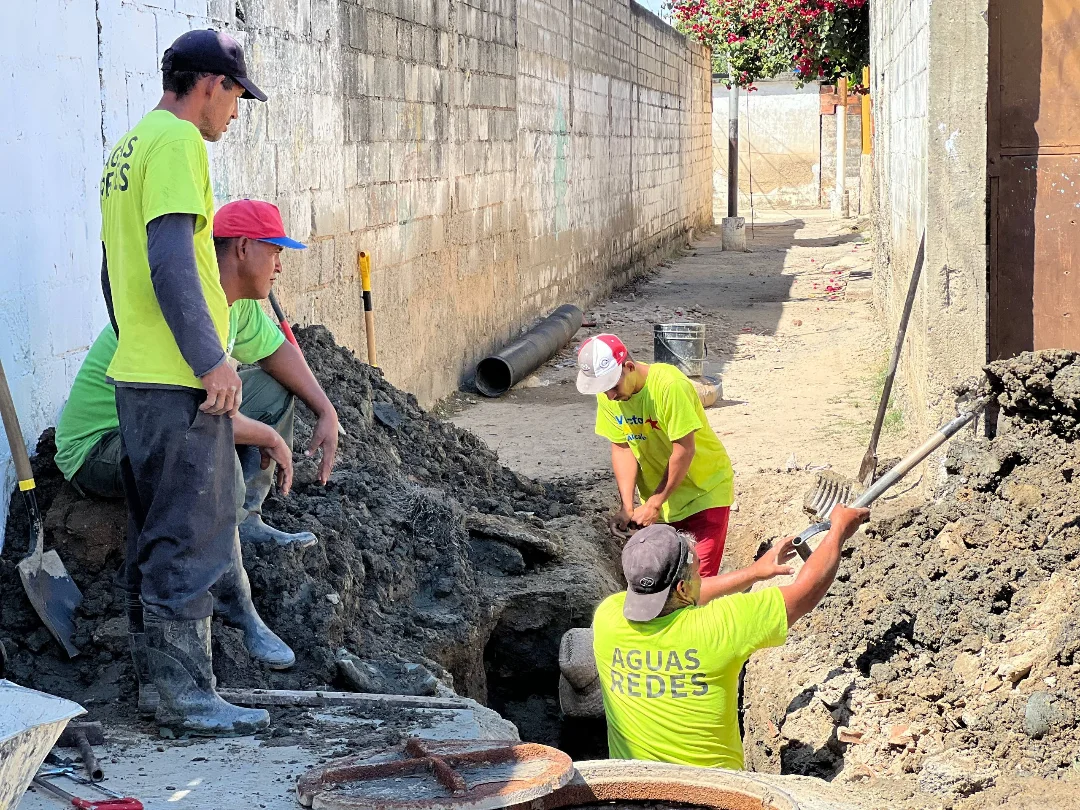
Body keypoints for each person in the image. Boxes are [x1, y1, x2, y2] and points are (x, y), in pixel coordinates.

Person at [56, 198, 339, 680]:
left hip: (164, 423)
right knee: (209, 459)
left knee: (272, 391)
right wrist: (267, 435)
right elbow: (190, 416)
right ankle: (237, 608)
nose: (280, 266)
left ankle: (246, 518)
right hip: (99, 446)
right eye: (275, 252)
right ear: (244, 248)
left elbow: (278, 355)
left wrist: (326, 410)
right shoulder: (191, 307)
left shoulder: (237, 303)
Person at [99, 29, 274, 738]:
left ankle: (160, 689)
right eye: (235, 96)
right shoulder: (177, 143)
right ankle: (184, 695)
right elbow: (171, 258)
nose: (234, 112)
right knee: (191, 536)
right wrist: (209, 361)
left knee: (156, 535)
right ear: (210, 84)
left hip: (140, 375)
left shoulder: (128, 147)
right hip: (177, 383)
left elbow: (111, 270)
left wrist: (136, 341)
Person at [591, 505, 870, 770]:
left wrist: (753, 572)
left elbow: (681, 595)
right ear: (683, 588)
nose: (701, 578)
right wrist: (838, 530)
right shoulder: (721, 626)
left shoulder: (608, 618)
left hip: (633, 788)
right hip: (717, 790)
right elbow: (805, 592)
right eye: (698, 572)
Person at [576, 334, 735, 577]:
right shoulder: (609, 394)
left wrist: (653, 503)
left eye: (613, 387)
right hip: (661, 502)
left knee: (695, 584)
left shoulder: (670, 386)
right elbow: (622, 447)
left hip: (704, 491)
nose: (610, 396)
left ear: (629, 367)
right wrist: (627, 507)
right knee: (662, 582)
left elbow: (684, 449)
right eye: (604, 389)